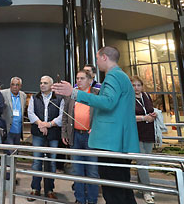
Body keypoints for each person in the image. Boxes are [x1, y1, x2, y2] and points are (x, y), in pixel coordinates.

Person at [53, 47, 139, 204]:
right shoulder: (121, 76)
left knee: (113, 192)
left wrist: (74, 93)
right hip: (118, 140)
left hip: (112, 142)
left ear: (104, 57)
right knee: (123, 189)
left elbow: (107, 102)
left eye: (98, 58)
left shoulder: (113, 76)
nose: (97, 62)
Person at [61, 69, 99, 204]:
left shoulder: (97, 94)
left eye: (82, 78)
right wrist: (65, 133)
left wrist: (96, 128)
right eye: (77, 78)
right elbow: (65, 115)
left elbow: (102, 115)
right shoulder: (72, 95)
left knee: (92, 170)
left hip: (91, 137)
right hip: (75, 136)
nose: (78, 81)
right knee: (77, 170)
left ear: (90, 80)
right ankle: (80, 199)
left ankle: (92, 200)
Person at [27, 75, 64, 199]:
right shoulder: (34, 97)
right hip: (38, 133)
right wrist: (40, 124)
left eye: (45, 83)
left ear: (51, 85)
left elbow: (61, 116)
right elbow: (30, 113)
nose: (42, 85)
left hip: (53, 135)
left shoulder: (59, 98)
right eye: (41, 82)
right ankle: (35, 189)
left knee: (51, 163)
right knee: (37, 162)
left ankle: (49, 190)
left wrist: (48, 124)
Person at [132, 77, 156, 203]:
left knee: (145, 163)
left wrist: (153, 115)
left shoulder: (146, 96)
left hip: (149, 133)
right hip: (137, 134)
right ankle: (147, 191)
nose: (136, 88)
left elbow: (151, 110)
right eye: (134, 85)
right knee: (142, 163)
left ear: (142, 86)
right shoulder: (128, 99)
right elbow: (127, 117)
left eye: (138, 85)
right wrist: (143, 118)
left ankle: (141, 188)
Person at [1, 76, 27, 144]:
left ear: (20, 86)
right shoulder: (3, 93)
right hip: (7, 129)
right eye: (13, 84)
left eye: (17, 85)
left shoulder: (23, 95)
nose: (15, 87)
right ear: (10, 85)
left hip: (18, 130)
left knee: (16, 152)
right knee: (10, 152)